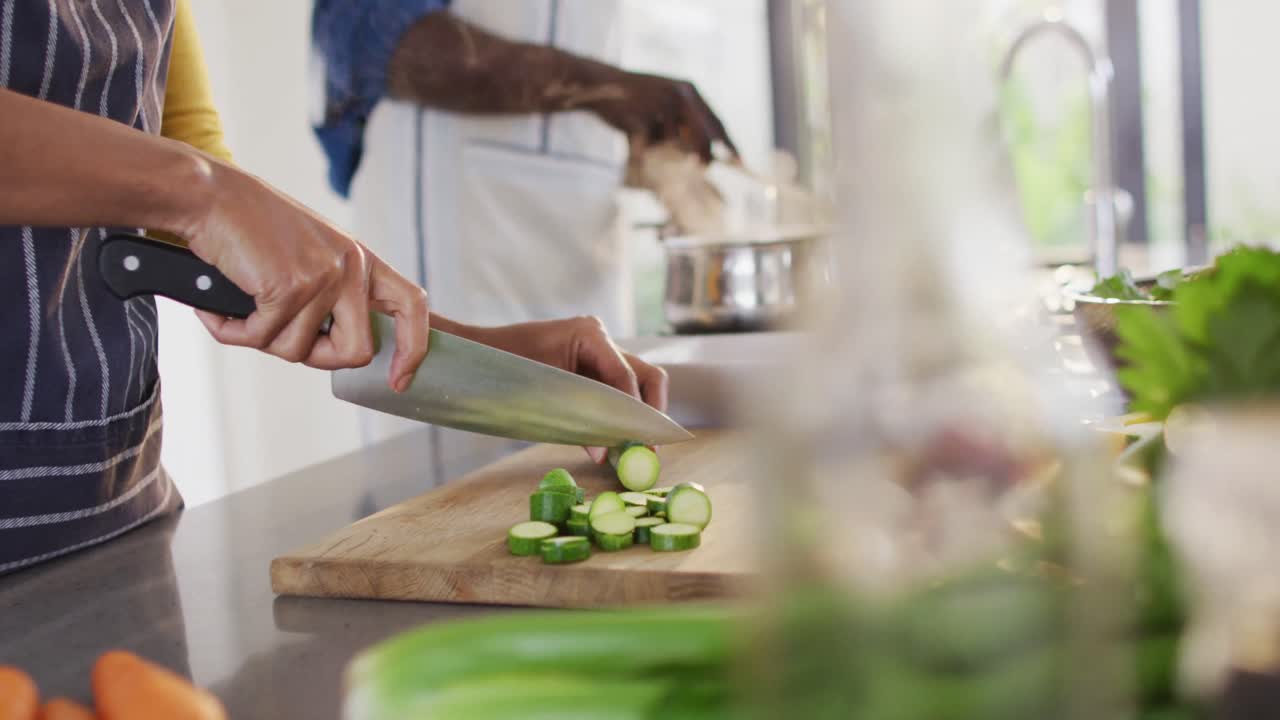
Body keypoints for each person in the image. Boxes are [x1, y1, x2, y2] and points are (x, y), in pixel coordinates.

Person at [0, 0, 666, 575]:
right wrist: (199, 193)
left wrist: (487, 358)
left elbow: (192, 163)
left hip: (115, 505)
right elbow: (192, 188)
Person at [311, 0, 734, 445]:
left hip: (584, 235)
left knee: (596, 432)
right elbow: (376, 38)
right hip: (460, 217)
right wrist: (614, 89)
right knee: (453, 460)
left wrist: (644, 162)